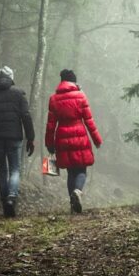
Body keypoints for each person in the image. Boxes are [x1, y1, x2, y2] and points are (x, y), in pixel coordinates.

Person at [0, 66, 35, 218]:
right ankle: (12, 198)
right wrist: (31, 138)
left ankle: (5, 202)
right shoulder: (18, 93)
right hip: (14, 137)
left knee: (2, 170)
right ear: (11, 77)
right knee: (15, 169)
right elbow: (26, 116)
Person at [45, 69, 102, 213]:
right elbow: (89, 120)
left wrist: (49, 143)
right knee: (81, 170)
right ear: (74, 81)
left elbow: (51, 124)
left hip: (62, 137)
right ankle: (77, 191)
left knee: (71, 172)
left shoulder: (53, 99)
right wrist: (96, 139)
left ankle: (72, 203)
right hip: (79, 135)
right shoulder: (81, 96)